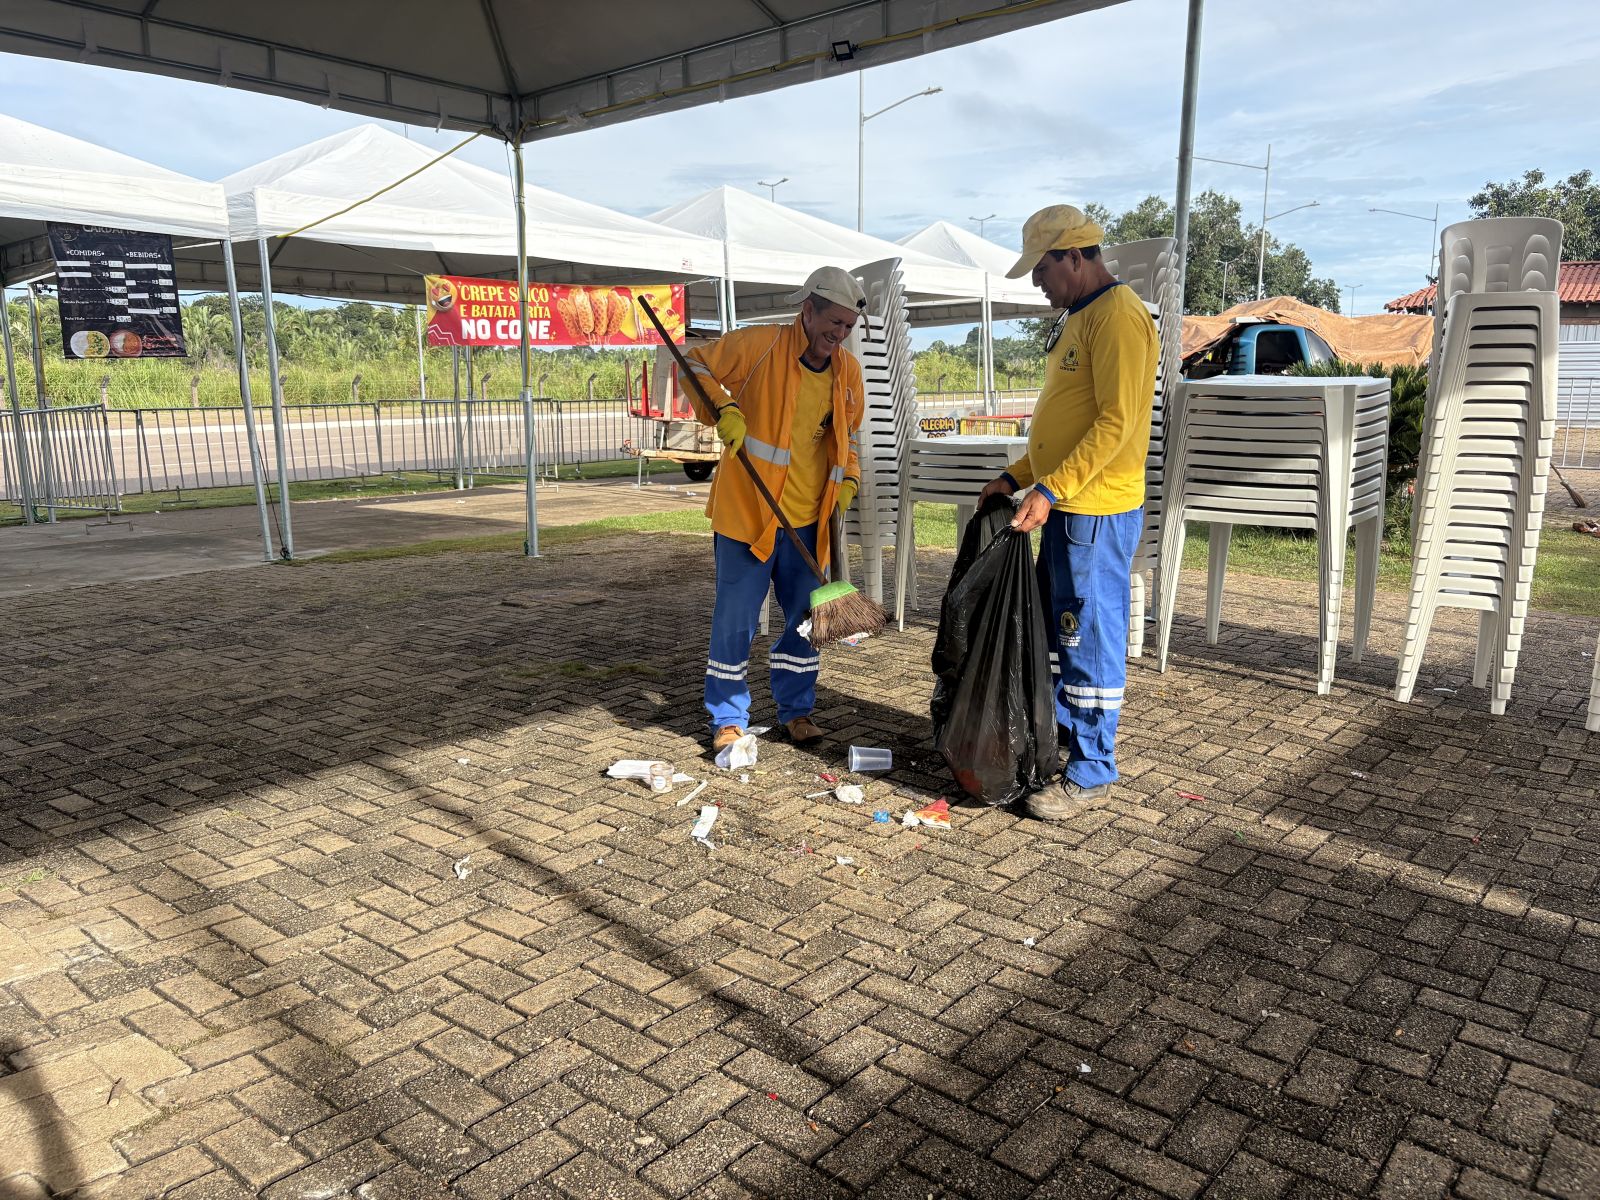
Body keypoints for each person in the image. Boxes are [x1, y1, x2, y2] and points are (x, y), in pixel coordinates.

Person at [979, 205, 1158, 818]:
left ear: (1074, 257)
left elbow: (1116, 422)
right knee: (1062, 634)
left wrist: (1051, 489)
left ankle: (1092, 767)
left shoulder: (1118, 317)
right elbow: (1065, 424)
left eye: (1042, 269)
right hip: (1066, 503)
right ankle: (1057, 743)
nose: (1037, 283)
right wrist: (1018, 476)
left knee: (1089, 633)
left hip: (1095, 510)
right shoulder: (1079, 317)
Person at [683, 265, 867, 752]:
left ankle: (797, 710)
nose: (840, 334)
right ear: (808, 310)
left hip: (809, 521)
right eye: (834, 322)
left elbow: (848, 438)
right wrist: (723, 408)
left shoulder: (848, 372)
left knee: (804, 622)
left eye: (848, 326)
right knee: (736, 620)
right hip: (749, 514)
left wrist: (849, 479)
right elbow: (696, 364)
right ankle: (727, 717)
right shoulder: (760, 345)